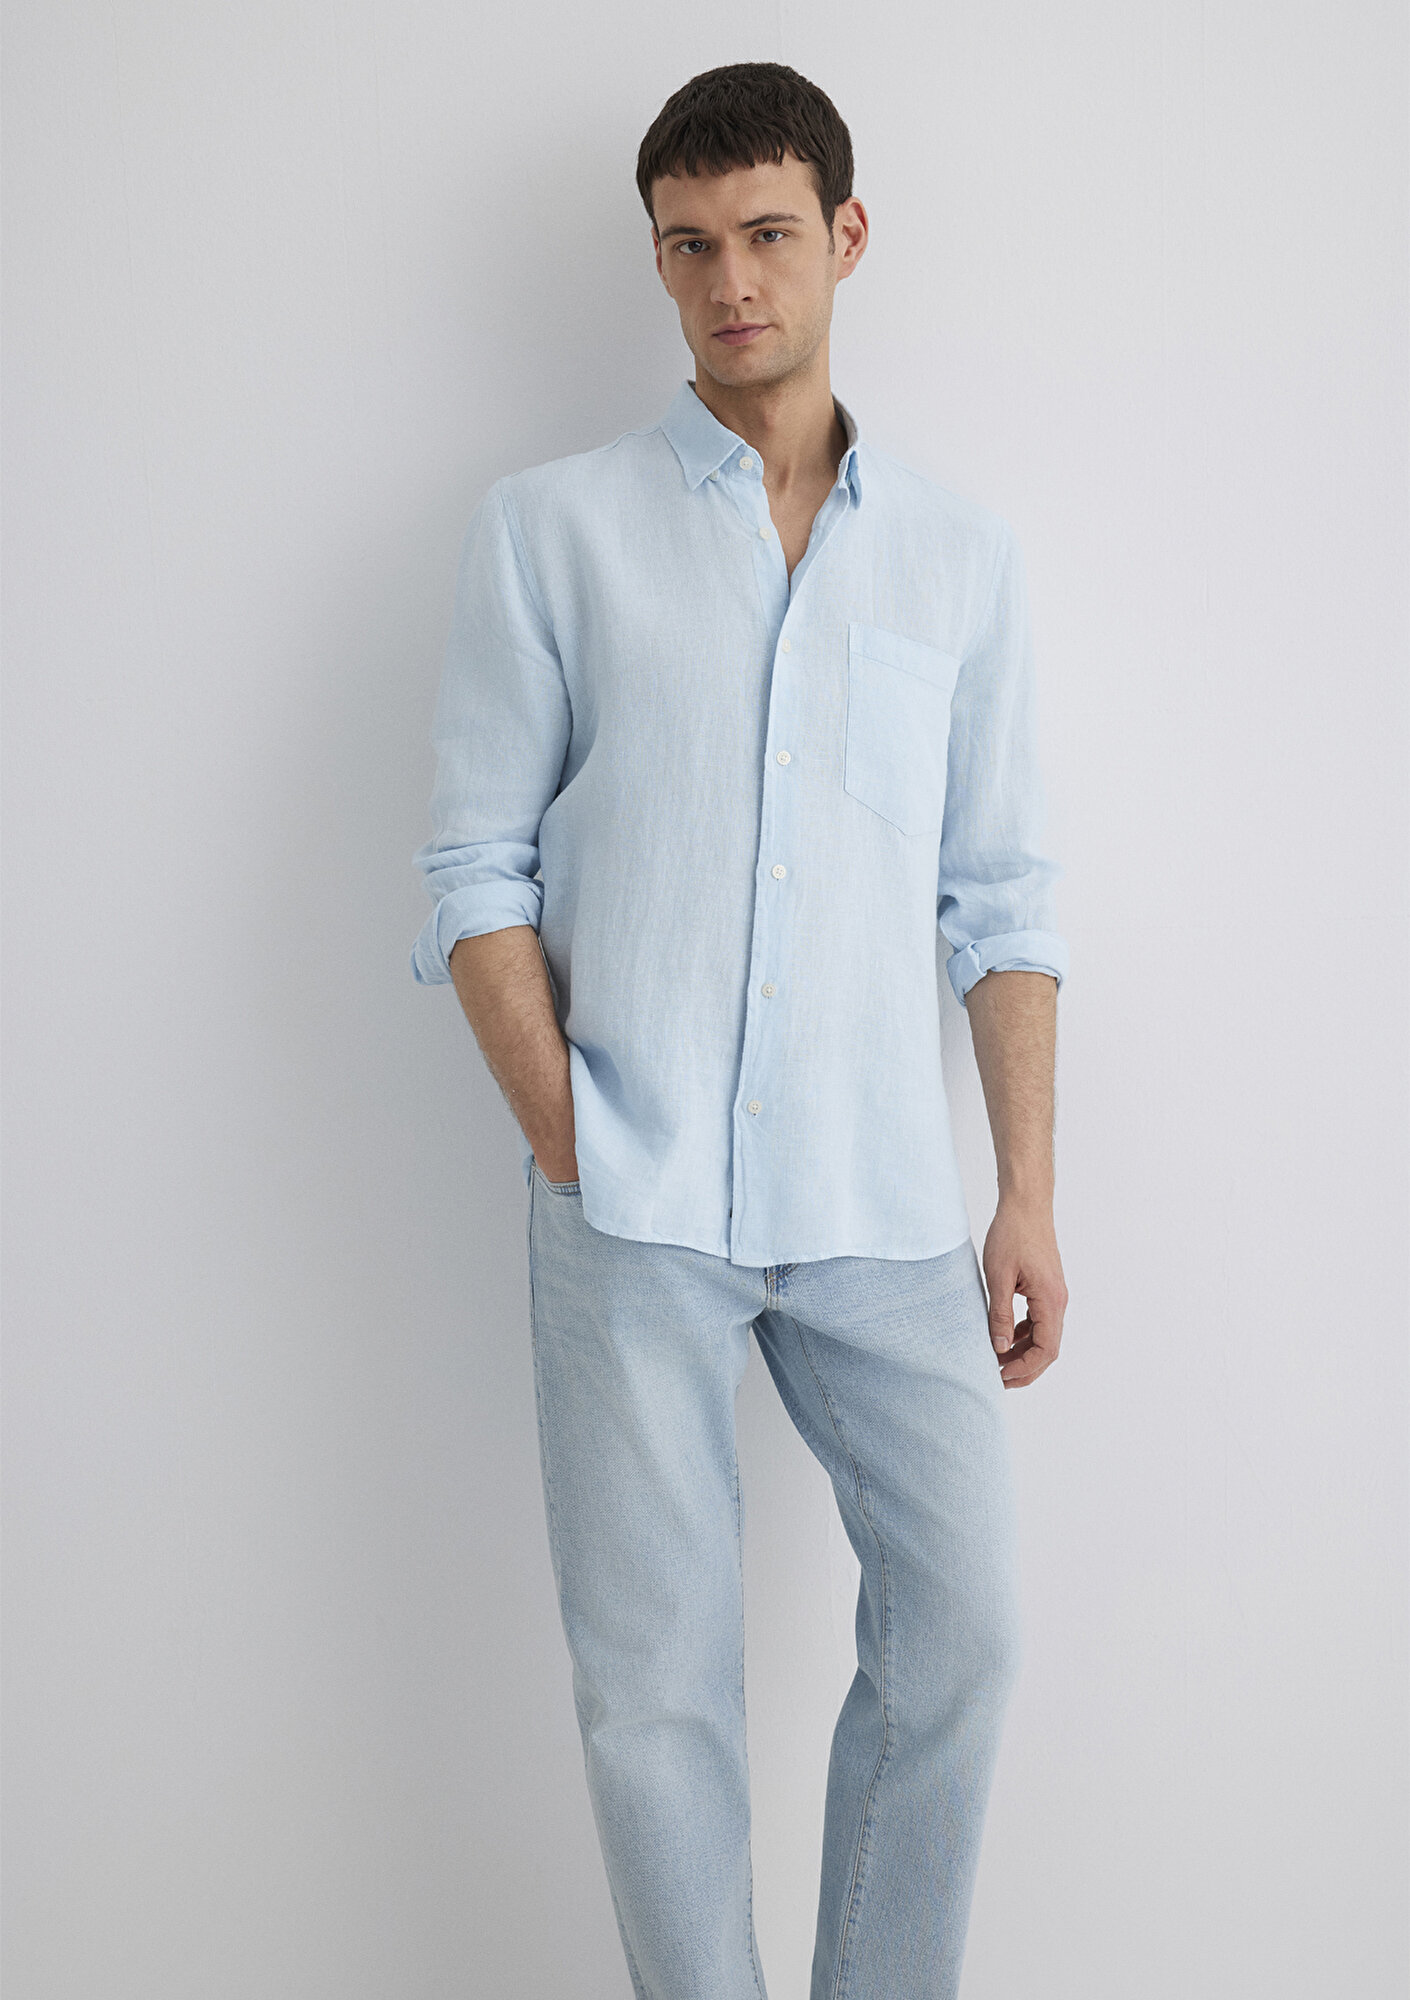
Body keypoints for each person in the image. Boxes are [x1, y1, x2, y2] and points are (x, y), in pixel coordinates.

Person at [411, 59, 1069, 2000]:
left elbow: (1002, 901)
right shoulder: (551, 531)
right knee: (655, 1690)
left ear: (845, 237)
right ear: (658, 261)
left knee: (963, 1632)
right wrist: (567, 1132)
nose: (730, 284)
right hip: (630, 1191)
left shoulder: (959, 559)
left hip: (879, 1198)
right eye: (688, 247)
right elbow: (471, 866)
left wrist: (1025, 1193)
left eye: (768, 236)